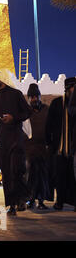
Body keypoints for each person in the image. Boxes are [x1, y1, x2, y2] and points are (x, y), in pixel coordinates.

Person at [0, 70, 32, 216]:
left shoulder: (16, 95)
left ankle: (22, 198)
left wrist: (14, 117)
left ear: (2, 79)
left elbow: (27, 112)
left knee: (16, 170)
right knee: (7, 174)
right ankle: (11, 204)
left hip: (16, 141)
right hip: (3, 142)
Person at [46, 76, 76, 211]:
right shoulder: (57, 104)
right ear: (67, 89)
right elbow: (49, 125)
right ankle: (60, 201)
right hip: (59, 148)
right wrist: (49, 144)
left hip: (74, 149)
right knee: (60, 176)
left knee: (73, 177)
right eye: (73, 88)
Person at [24, 83, 53, 209]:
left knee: (42, 175)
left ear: (40, 96)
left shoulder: (47, 110)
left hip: (43, 148)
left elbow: (52, 127)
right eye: (32, 97)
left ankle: (41, 200)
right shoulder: (25, 112)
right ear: (29, 98)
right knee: (30, 175)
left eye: (36, 96)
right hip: (29, 149)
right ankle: (30, 199)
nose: (34, 99)